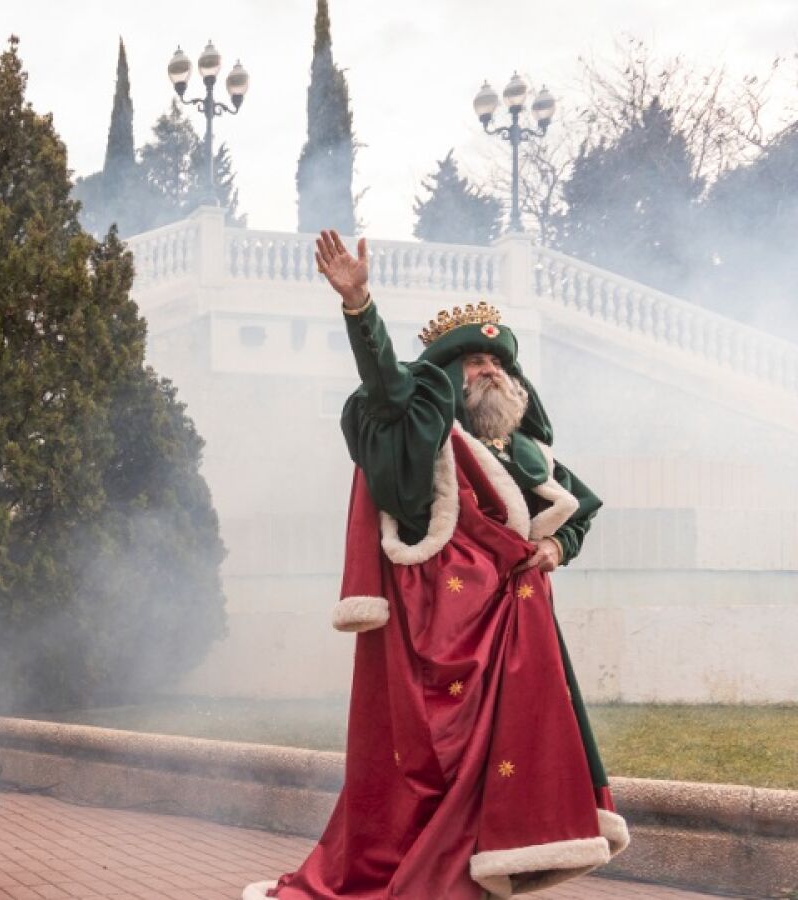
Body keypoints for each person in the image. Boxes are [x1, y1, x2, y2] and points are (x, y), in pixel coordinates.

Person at [245, 231, 628, 900]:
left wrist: (555, 547)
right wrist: (359, 306)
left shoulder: (528, 454)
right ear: (448, 377)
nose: (489, 371)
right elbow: (390, 390)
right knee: (440, 770)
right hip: (442, 636)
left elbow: (582, 509)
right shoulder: (426, 438)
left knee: (508, 763)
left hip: (518, 639)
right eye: (474, 362)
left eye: (496, 362)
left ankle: (479, 879)